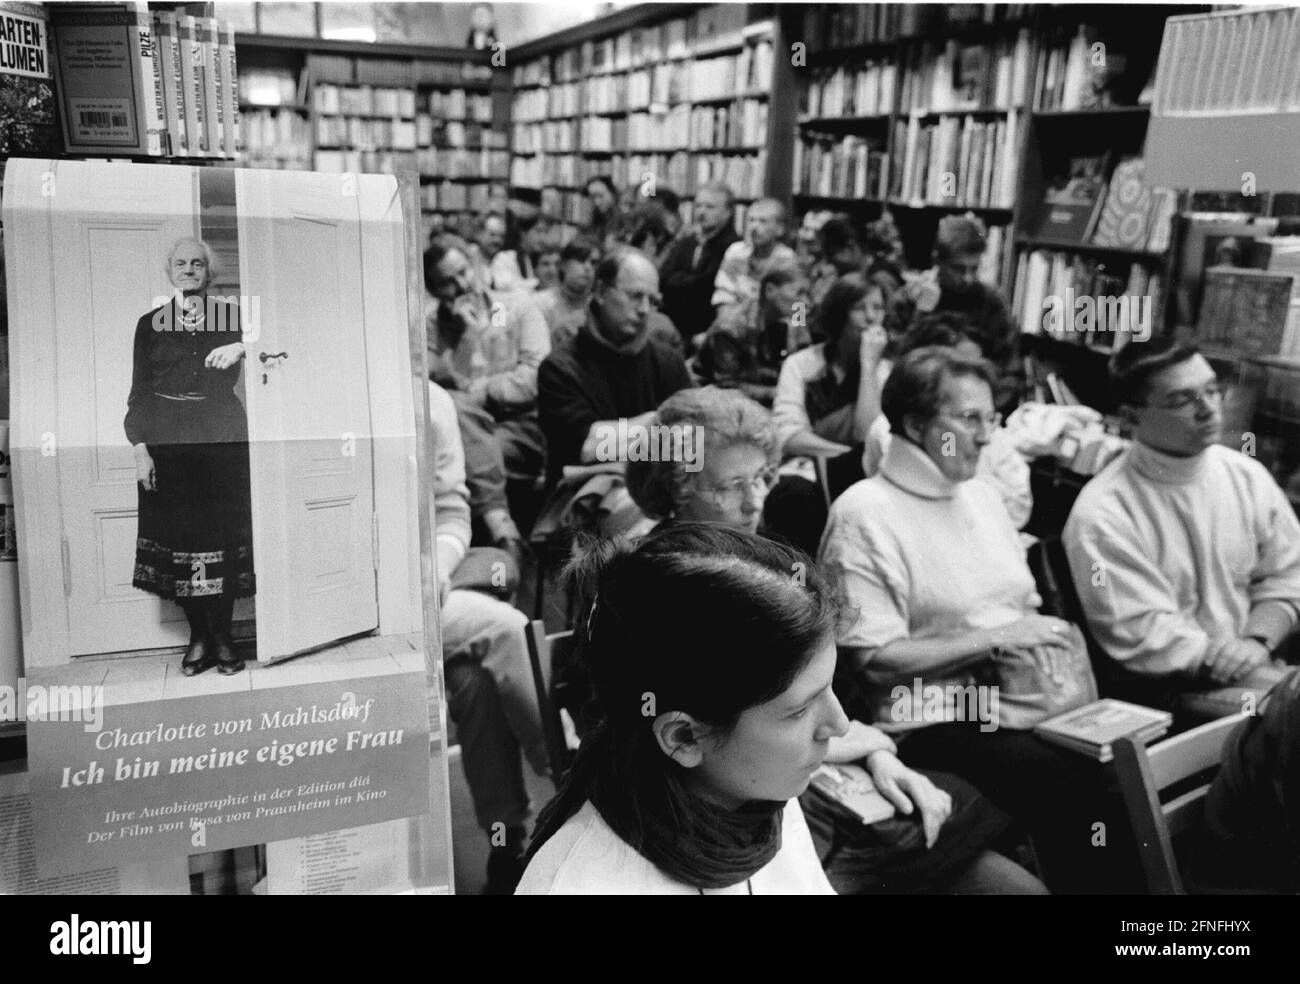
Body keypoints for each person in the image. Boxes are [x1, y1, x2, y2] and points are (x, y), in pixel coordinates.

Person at [623, 387, 1045, 894]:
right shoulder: (649, 583)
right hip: (727, 810)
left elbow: (821, 690)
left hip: (816, 774)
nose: (755, 500)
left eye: (763, 477)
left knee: (1017, 886)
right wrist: (855, 749)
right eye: (730, 486)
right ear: (675, 487)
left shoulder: (768, 556)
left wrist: (876, 754)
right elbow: (699, 741)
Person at [819, 346, 1140, 893]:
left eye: (991, 418)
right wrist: (996, 638)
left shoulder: (982, 497)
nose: (988, 436)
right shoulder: (863, 512)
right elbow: (872, 661)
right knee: (1071, 780)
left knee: (1126, 755)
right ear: (917, 425)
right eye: (970, 419)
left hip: (1023, 697)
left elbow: (1023, 607)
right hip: (929, 713)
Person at [517, 524, 849, 894]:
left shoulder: (756, 795)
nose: (841, 724)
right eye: (799, 711)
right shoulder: (581, 885)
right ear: (684, 737)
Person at [1063, 337, 1300, 715]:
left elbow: (1288, 574)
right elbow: (1145, 635)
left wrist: (1257, 641)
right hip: (1174, 690)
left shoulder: (1245, 475)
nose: (1209, 409)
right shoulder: (1103, 514)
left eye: (1212, 390)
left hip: (1258, 660)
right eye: (1183, 400)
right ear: (1130, 417)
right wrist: (1244, 660)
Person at [428, 380, 549, 895]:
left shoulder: (432, 399)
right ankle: (575, 783)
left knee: (474, 682)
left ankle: (505, 843)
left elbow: (453, 508)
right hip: (354, 598)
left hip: (427, 582)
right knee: (507, 628)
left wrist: (434, 564)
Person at [127, 237, 253, 676]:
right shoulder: (151, 323)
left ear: (208, 273)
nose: (188, 269)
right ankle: (200, 635)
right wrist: (140, 448)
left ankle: (223, 636)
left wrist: (243, 347)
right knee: (185, 541)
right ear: (170, 272)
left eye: (196, 264)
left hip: (220, 435)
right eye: (180, 263)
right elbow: (138, 391)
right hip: (168, 440)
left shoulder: (230, 317)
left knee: (220, 538)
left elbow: (279, 352)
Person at [537, 247, 692, 489]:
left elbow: (692, 447)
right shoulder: (559, 368)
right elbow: (588, 448)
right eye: (635, 296)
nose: (644, 309)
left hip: (660, 491)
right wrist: (660, 423)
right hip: (581, 497)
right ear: (600, 292)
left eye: (652, 301)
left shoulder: (668, 362)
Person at [862, 314, 1032, 529]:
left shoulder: (988, 429)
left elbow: (1019, 507)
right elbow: (932, 483)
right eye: (956, 368)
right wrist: (984, 488)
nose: (970, 378)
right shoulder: (894, 432)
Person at [425, 233, 550, 489]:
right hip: (461, 427)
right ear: (434, 291)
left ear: (477, 267)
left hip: (517, 425)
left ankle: (496, 517)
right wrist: (468, 337)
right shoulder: (432, 326)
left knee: (464, 455)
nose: (462, 285)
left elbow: (535, 378)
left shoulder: (516, 307)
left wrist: (482, 393)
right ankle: (499, 520)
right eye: (447, 282)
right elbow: (434, 394)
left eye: (464, 272)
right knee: (453, 446)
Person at [772, 272, 893, 499]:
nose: (870, 318)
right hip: (806, 472)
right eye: (859, 308)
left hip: (866, 476)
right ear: (840, 313)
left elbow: (866, 435)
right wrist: (846, 456)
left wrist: (868, 366)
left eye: (878, 308)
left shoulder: (886, 372)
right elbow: (788, 434)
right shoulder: (800, 364)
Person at [887, 214, 1020, 405]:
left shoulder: (992, 301)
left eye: (974, 269)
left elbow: (1010, 371)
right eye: (958, 269)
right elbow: (895, 362)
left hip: (979, 402)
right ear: (938, 261)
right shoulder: (908, 298)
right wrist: (921, 313)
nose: (967, 278)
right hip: (919, 402)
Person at [692, 266, 811, 407]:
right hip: (713, 396)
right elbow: (727, 386)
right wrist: (778, 393)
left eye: (807, 295)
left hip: (762, 383)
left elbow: (804, 352)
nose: (806, 302)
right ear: (769, 291)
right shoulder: (731, 326)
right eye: (799, 293)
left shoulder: (795, 312)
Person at [659, 181, 741, 348]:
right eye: (698, 206)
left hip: (707, 332)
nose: (701, 212)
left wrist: (679, 280)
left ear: (728, 212)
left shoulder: (734, 248)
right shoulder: (686, 241)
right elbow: (663, 277)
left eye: (710, 207)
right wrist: (689, 281)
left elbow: (706, 285)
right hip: (677, 327)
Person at [711, 197, 798, 329]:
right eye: (751, 220)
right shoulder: (736, 252)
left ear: (780, 229)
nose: (754, 227)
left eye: (763, 221)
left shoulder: (787, 259)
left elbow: (797, 304)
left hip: (772, 329)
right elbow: (723, 295)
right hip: (734, 326)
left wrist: (799, 331)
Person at [535, 236, 601, 349]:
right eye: (581, 260)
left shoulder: (600, 308)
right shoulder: (540, 303)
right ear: (563, 265)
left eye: (593, 263)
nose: (588, 267)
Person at [583, 176, 623, 250]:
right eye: (592, 197)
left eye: (601, 196)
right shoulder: (597, 214)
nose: (596, 202)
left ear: (612, 193)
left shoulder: (623, 214)